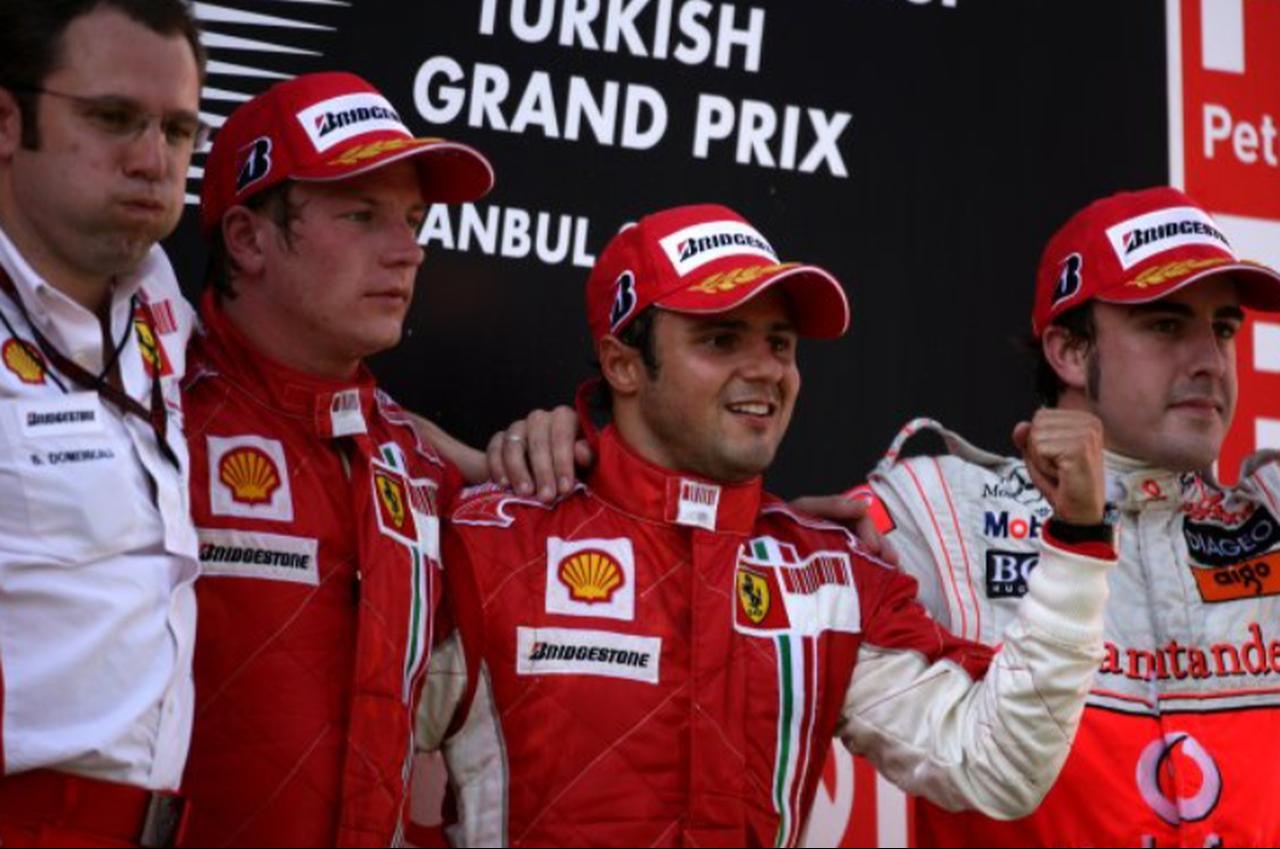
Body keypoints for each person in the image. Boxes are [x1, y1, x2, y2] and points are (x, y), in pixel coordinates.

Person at [418, 203, 1120, 846]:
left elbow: (995, 763)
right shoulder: (493, 543)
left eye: (780, 343)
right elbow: (339, 749)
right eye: (722, 339)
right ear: (623, 364)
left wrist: (1080, 540)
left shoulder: (832, 579)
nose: (766, 370)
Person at [852, 186, 1280, 845]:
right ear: (1071, 352)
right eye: (1166, 325)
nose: (1209, 361)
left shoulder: (1269, 515)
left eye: (1222, 329)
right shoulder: (940, 513)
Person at [175, 71, 497, 846]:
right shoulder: (149, 415)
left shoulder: (423, 468)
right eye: (362, 215)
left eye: (415, 220)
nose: (408, 251)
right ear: (249, 238)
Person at [0, 2, 206, 844]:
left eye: (179, 130)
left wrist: (492, 453)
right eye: (113, 119)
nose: (153, 161)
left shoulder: (162, 304)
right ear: (8, 120)